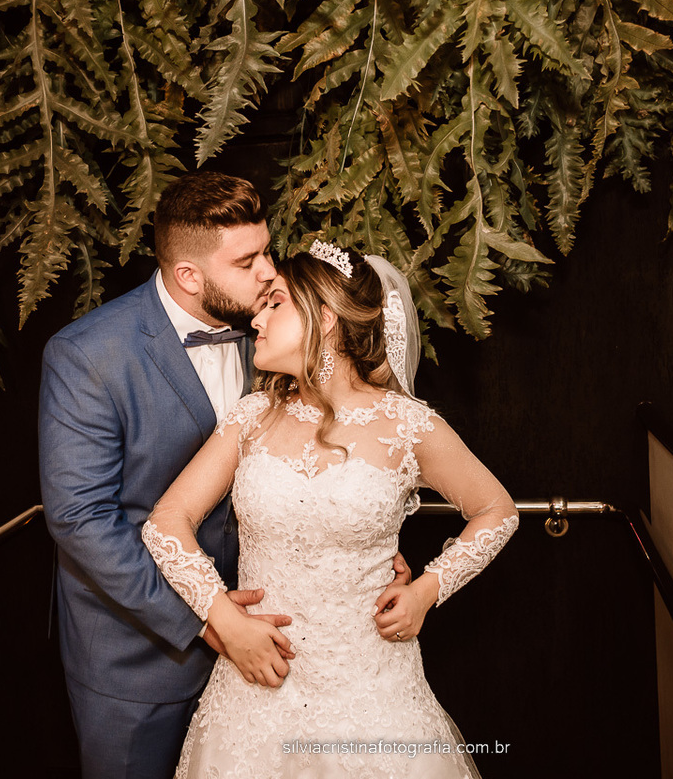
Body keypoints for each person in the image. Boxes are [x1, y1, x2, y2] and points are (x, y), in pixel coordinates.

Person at [142, 241, 520, 777]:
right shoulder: (250, 418)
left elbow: (497, 510)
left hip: (374, 694)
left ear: (324, 316)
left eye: (275, 303)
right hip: (255, 690)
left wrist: (425, 591)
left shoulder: (408, 426)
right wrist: (224, 618)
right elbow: (165, 521)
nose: (258, 317)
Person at [38, 171, 293, 779]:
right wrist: (210, 619)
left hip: (269, 639)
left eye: (267, 249)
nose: (269, 272)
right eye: (248, 260)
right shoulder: (88, 356)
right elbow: (81, 520)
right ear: (189, 276)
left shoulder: (275, 330)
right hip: (139, 653)